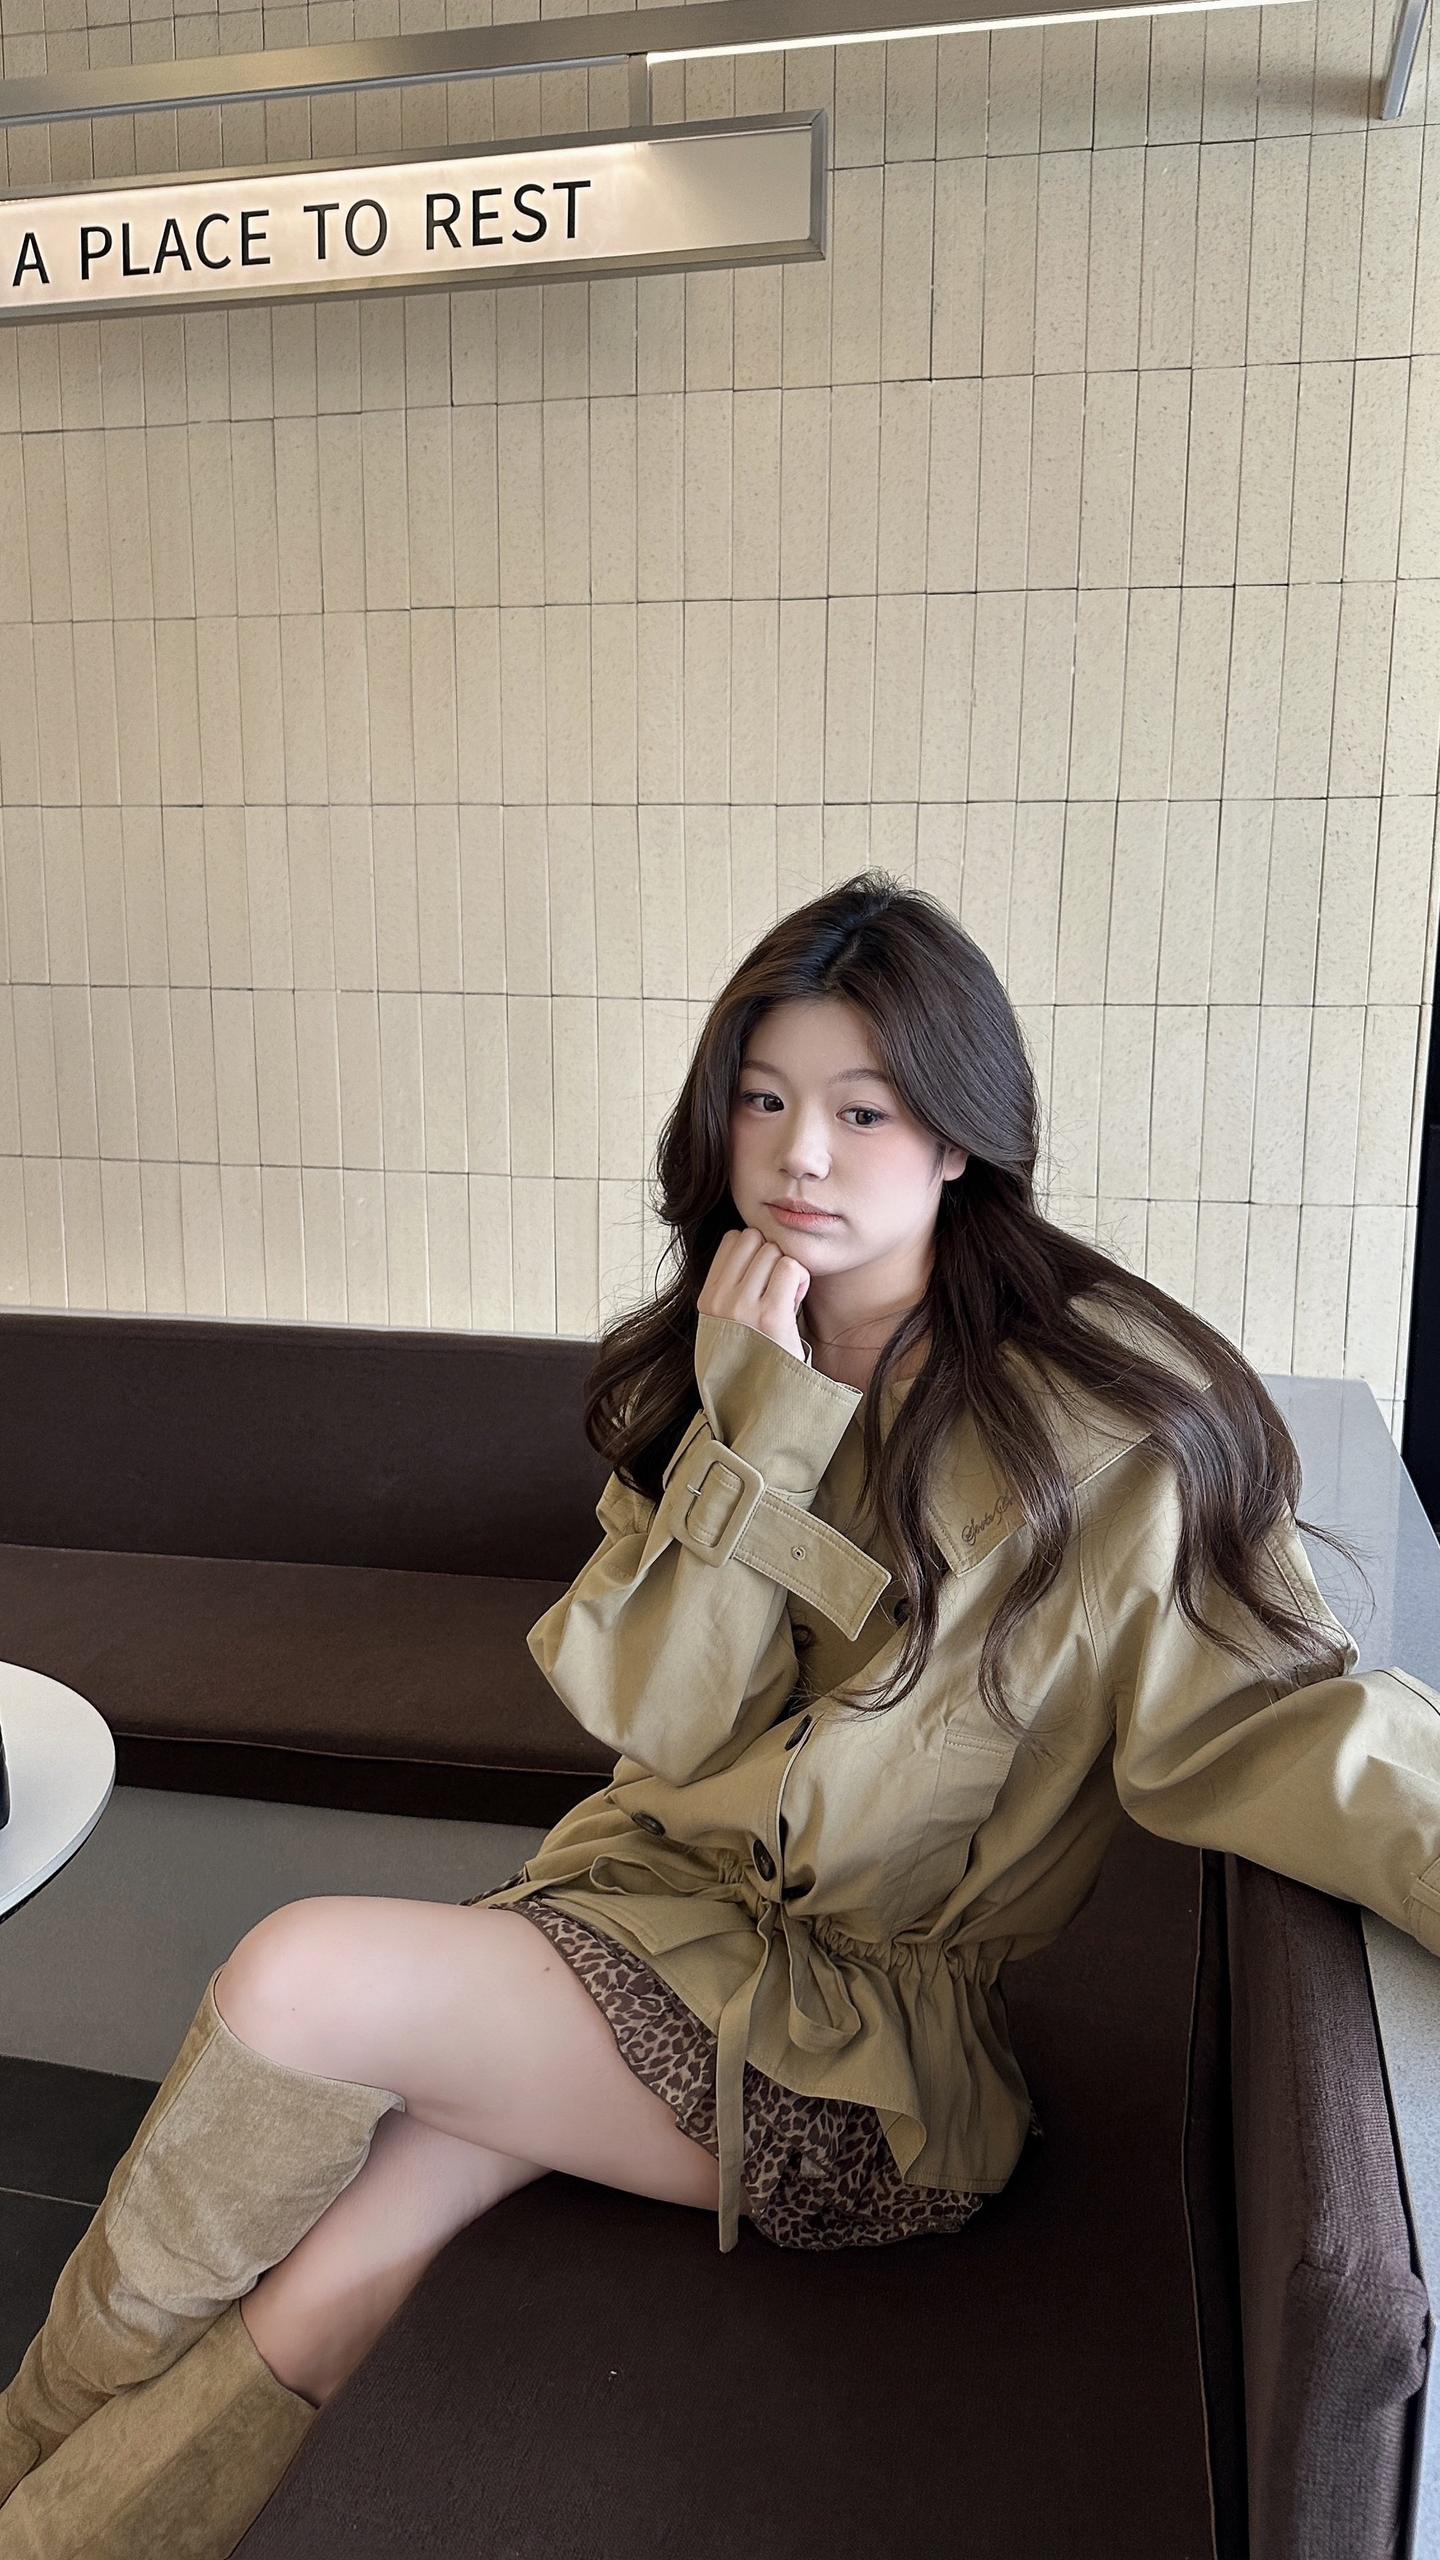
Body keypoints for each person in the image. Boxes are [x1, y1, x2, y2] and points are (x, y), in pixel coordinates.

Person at [2, 868, 1438, 2556]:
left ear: (960, 1137)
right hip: (644, 1918)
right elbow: (657, 1720)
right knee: (332, 2287)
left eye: (861, 1110)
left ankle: (21, 2439)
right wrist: (760, 1428)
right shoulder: (737, 1347)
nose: (798, 1153)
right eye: (763, 1100)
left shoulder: (1098, 1432)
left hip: (866, 2073)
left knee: (295, 1979)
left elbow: (1280, 1724)